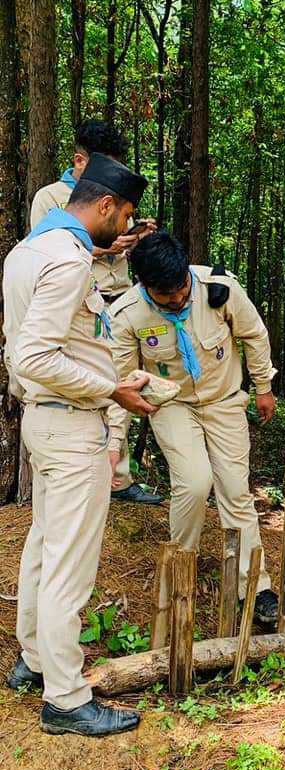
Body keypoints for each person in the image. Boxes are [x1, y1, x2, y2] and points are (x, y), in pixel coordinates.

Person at [3, 153, 156, 737]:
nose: (126, 228)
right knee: (70, 562)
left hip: (44, 421)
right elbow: (35, 355)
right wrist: (112, 389)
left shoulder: (30, 250)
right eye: (125, 216)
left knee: (44, 546)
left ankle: (36, 660)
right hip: (71, 428)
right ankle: (66, 698)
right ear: (107, 206)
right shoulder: (67, 262)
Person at [107, 232, 280, 627]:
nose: (178, 299)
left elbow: (254, 334)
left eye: (182, 288)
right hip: (172, 406)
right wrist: (115, 442)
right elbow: (121, 385)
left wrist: (264, 387)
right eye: (166, 295)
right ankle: (179, 568)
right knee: (195, 482)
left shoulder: (218, 288)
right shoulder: (128, 315)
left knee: (236, 491)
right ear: (145, 286)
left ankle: (254, 587)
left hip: (224, 401)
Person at [29, 118, 161, 506]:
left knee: (118, 375)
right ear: (80, 161)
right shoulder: (50, 198)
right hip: (77, 299)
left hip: (116, 299)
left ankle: (116, 473)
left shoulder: (116, 195)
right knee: (84, 378)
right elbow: (50, 250)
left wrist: (136, 240)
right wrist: (106, 246)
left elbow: (118, 243)